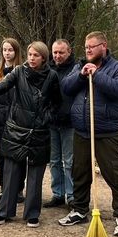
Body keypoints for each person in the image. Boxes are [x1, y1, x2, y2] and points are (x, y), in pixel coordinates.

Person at [58, 31, 118, 236]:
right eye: (86, 47)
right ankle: (80, 210)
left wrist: (97, 75)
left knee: (116, 176)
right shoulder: (79, 66)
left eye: (92, 46)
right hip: (82, 131)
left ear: (104, 46)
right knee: (80, 173)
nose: (89, 50)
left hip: (107, 133)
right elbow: (66, 87)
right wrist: (82, 75)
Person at [0, 41, 60, 227]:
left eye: (36, 55)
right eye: (30, 54)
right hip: (16, 129)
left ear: (43, 58)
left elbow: (57, 103)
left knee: (35, 177)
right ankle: (4, 211)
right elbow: (4, 84)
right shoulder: (18, 71)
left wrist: (45, 118)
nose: (32, 58)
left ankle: (32, 214)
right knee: (11, 175)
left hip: (39, 132)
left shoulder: (52, 76)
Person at [0, 38, 25, 204]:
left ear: (16, 52)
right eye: (5, 50)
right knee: (2, 157)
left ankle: (18, 189)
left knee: (19, 157)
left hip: (18, 121)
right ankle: (4, 188)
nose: (7, 53)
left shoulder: (22, 70)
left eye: (10, 50)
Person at [44, 39, 76, 208]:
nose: (57, 56)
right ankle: (58, 193)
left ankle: (71, 195)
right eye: (55, 52)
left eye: (61, 52)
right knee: (54, 160)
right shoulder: (47, 69)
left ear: (68, 52)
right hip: (51, 121)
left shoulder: (75, 69)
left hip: (69, 122)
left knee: (69, 161)